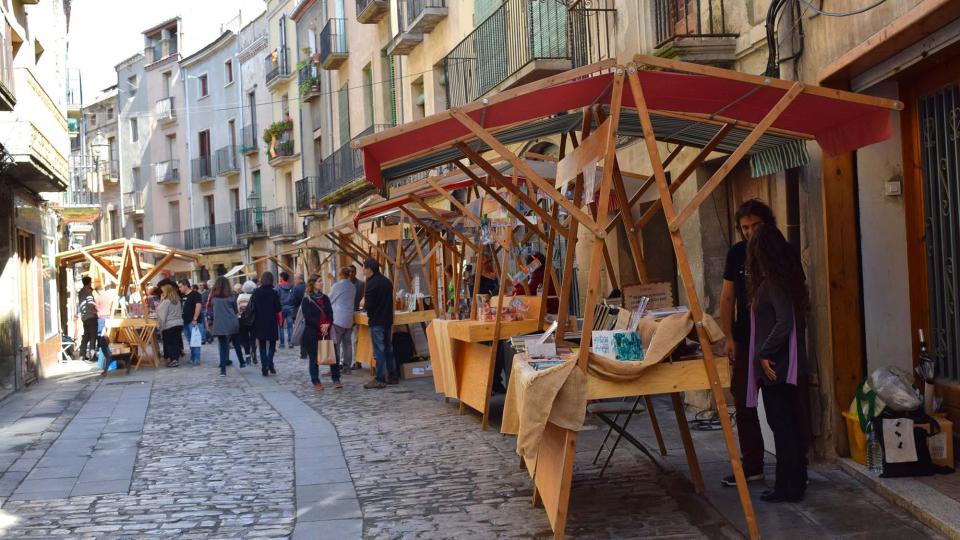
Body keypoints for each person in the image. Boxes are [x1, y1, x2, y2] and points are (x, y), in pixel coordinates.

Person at [746, 223, 809, 503]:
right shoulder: (780, 281)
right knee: (787, 425)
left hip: (777, 367)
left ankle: (789, 486)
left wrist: (763, 353)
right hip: (779, 365)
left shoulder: (772, 284)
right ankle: (790, 482)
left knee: (782, 426)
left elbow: (785, 322)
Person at [719, 199, 776, 488]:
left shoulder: (779, 252)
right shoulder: (737, 253)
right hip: (744, 340)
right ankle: (752, 465)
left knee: (780, 406)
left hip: (776, 341)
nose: (750, 232)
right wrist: (728, 336)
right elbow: (727, 298)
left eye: (755, 226)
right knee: (744, 403)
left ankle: (792, 466)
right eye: (745, 227)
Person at [361, 259, 398, 389]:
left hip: (377, 321)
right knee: (388, 348)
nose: (363, 270)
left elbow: (369, 305)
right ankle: (392, 376)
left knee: (379, 350)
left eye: (364, 268)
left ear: (369, 269)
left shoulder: (371, 284)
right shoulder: (386, 281)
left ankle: (380, 378)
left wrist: (363, 304)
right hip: (387, 319)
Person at [301, 276, 340, 390]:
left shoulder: (326, 298)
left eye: (321, 281)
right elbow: (308, 317)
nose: (321, 283)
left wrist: (327, 325)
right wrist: (320, 326)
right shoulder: (306, 300)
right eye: (319, 281)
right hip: (312, 333)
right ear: (313, 284)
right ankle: (316, 381)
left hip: (326, 331)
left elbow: (330, 313)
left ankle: (336, 379)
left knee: (333, 356)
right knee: (314, 358)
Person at [209, 276, 245, 376]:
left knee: (223, 347)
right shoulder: (232, 296)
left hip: (220, 324)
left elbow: (212, 310)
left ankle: (223, 370)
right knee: (236, 343)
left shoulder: (214, 298)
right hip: (232, 322)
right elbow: (235, 310)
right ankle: (242, 362)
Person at [252, 271, 282, 376]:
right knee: (272, 343)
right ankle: (269, 362)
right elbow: (278, 308)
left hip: (259, 321)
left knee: (262, 345)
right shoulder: (273, 293)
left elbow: (253, 307)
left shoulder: (256, 292)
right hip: (271, 321)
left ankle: (264, 365)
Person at [329, 267, 357, 372]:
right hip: (349, 318)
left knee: (336, 343)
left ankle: (335, 366)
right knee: (347, 344)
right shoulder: (353, 287)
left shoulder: (337, 286)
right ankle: (347, 367)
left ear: (340, 275)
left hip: (338, 318)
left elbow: (329, 299)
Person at [157, 283, 184, 368]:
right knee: (176, 342)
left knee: (169, 343)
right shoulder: (177, 300)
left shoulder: (166, 301)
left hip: (169, 325)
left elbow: (161, 313)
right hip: (179, 323)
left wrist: (161, 300)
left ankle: (173, 360)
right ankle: (175, 359)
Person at [178, 279, 203, 365]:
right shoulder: (182, 296)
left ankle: (196, 359)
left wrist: (195, 318)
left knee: (195, 341)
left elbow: (198, 306)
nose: (179, 288)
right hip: (185, 322)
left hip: (193, 322)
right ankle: (192, 358)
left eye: (180, 286)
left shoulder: (195, 294)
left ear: (185, 285)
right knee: (190, 341)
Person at [77, 276, 99, 361]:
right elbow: (90, 303)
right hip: (91, 316)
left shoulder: (81, 292)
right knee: (93, 336)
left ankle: (82, 354)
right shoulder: (88, 292)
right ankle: (92, 355)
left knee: (86, 335)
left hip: (84, 317)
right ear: (89, 282)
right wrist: (95, 311)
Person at [237, 280, 258, 365]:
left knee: (245, 338)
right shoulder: (255, 296)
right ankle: (254, 355)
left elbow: (238, 309)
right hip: (253, 320)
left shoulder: (240, 297)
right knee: (253, 338)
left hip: (242, 320)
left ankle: (247, 356)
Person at [277, 272, 294, 348]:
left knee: (281, 326)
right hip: (290, 307)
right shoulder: (291, 286)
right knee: (290, 326)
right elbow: (294, 297)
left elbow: (275, 297)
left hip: (281, 308)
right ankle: (290, 342)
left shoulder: (278, 287)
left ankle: (282, 343)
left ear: (282, 278)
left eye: (280, 277)